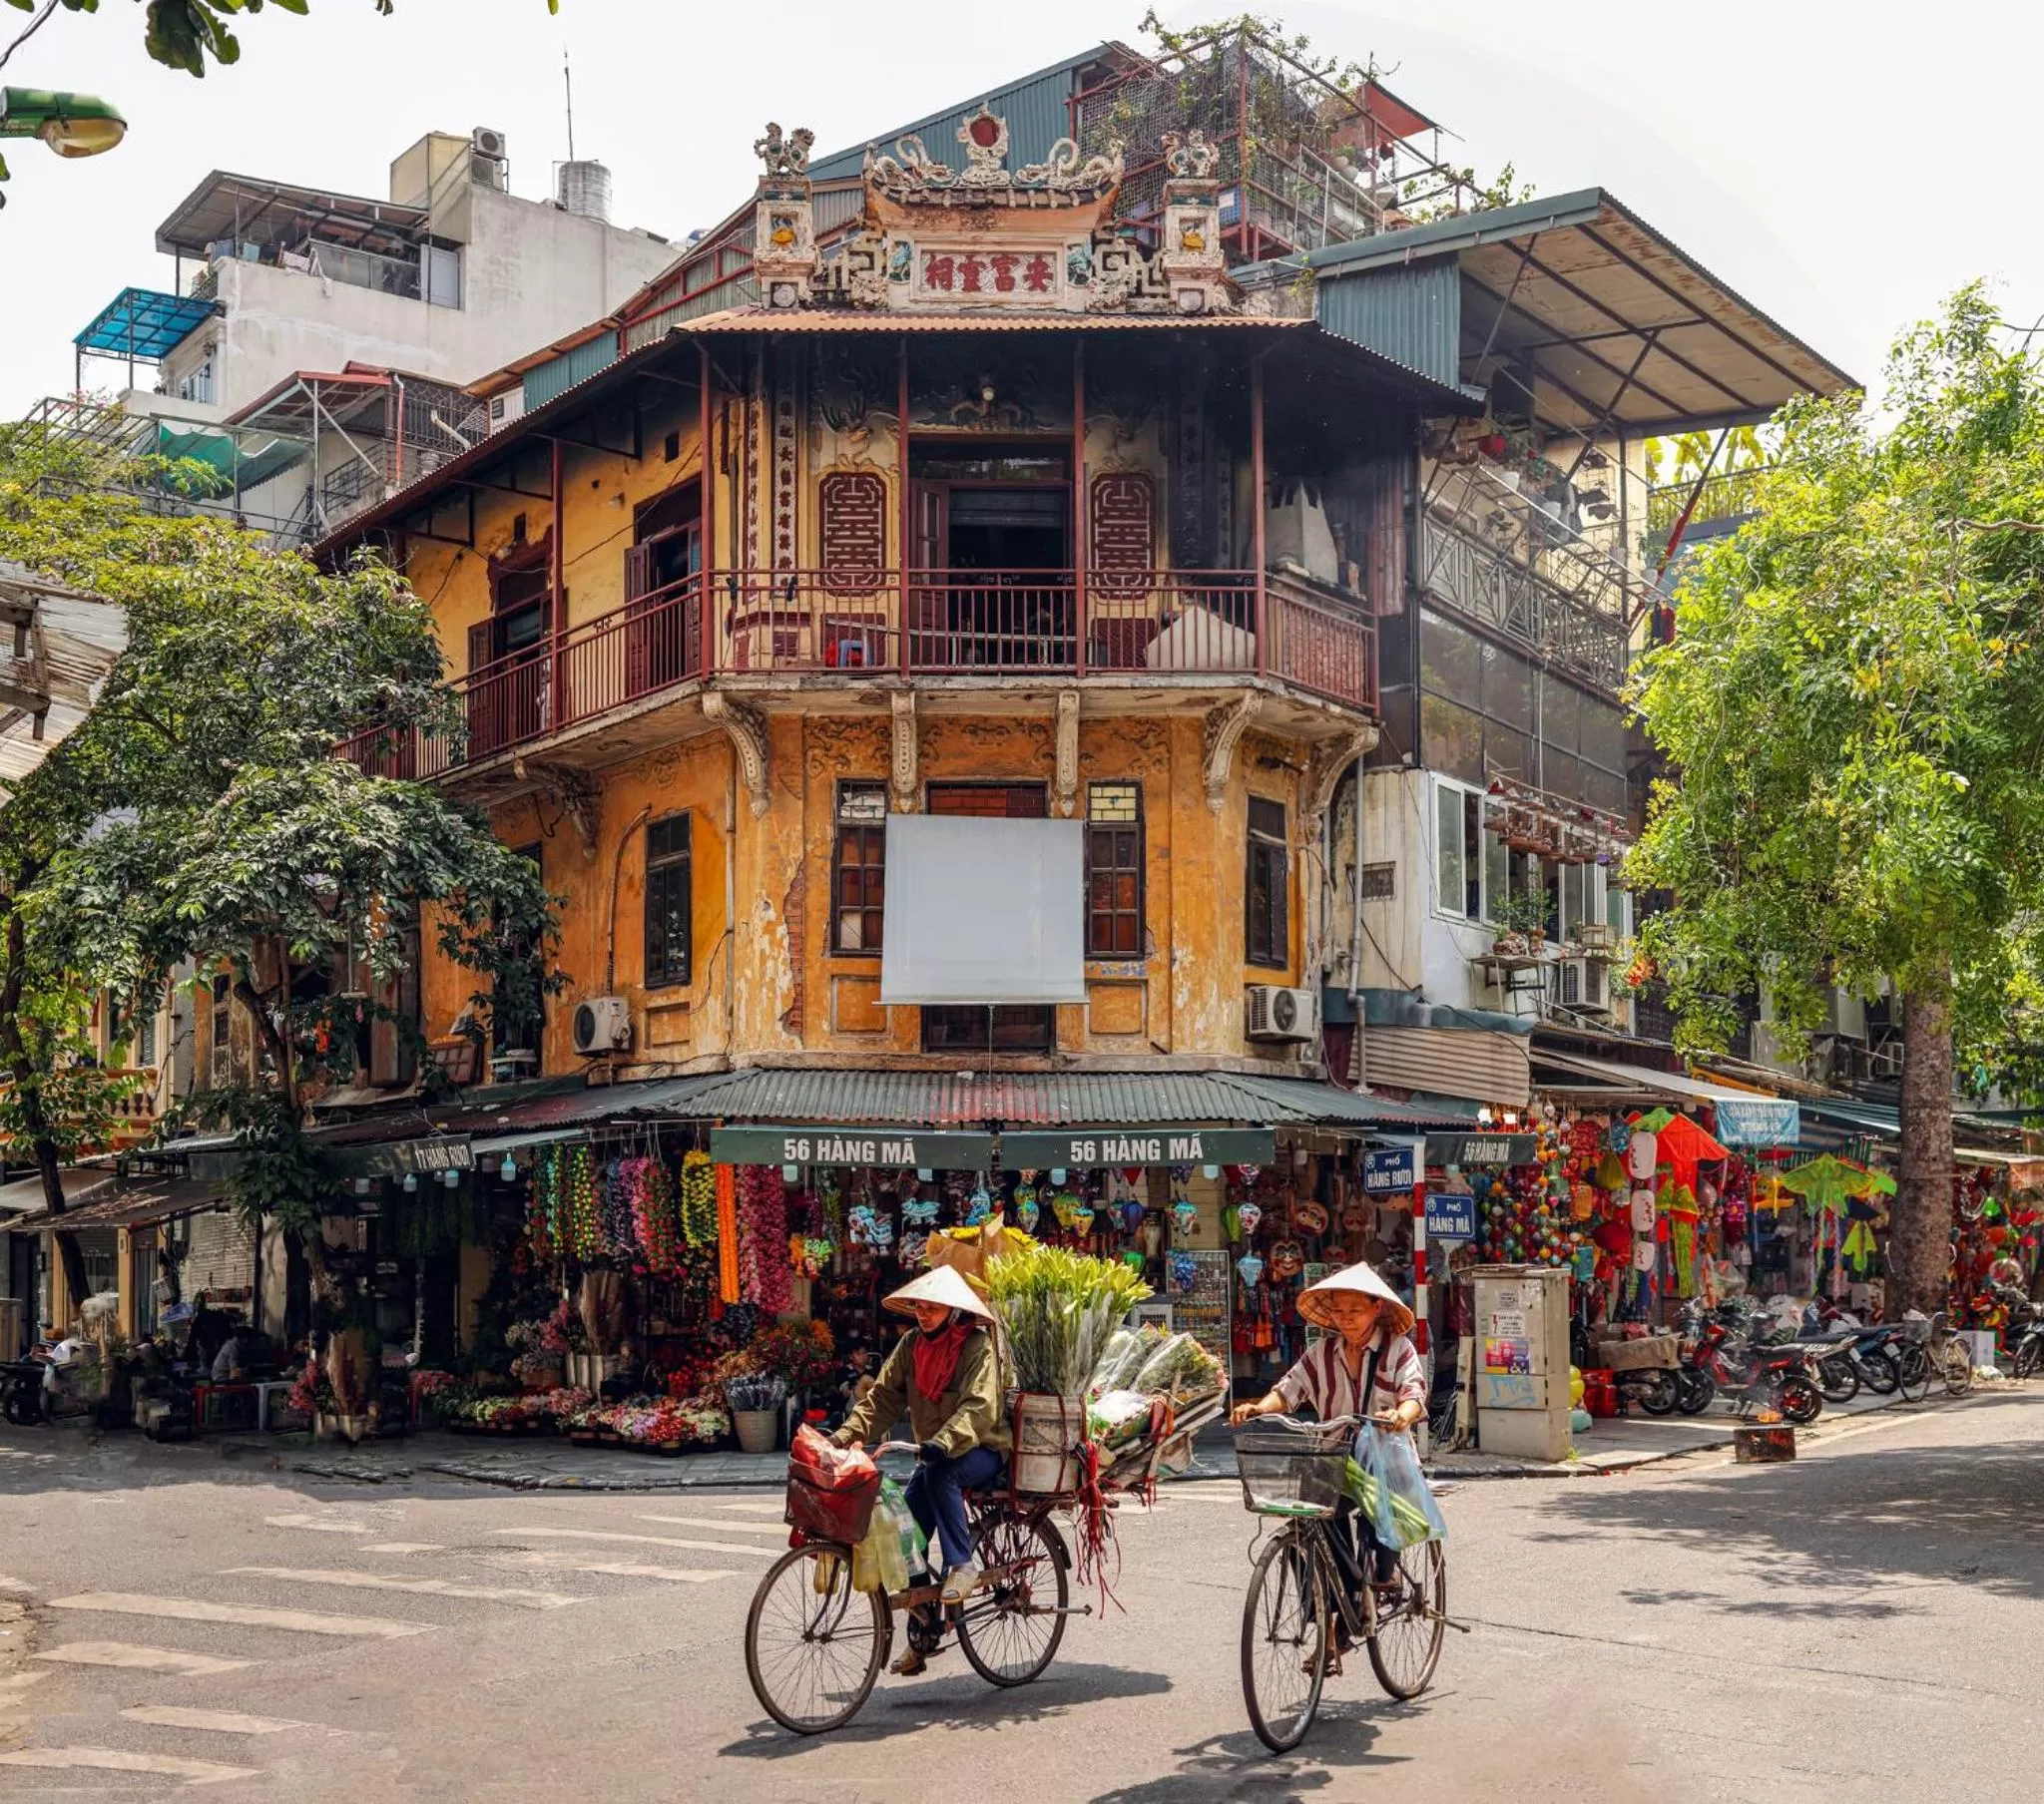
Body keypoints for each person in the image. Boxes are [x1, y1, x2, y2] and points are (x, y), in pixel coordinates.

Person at [1231, 1260, 1428, 1668]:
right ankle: (1327, 1612)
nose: (1345, 1319)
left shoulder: (1398, 1350)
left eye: (1354, 1311)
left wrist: (1401, 1415)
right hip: (1332, 1456)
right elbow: (1289, 1390)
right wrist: (1257, 1408)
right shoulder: (1322, 1352)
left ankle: (1376, 1581)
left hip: (1383, 1461)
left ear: (1376, 1308)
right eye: (1339, 1311)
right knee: (1307, 1524)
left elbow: (1414, 1392)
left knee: (1376, 1528)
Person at [831, 1266, 1009, 1675]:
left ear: (952, 1310)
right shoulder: (911, 1345)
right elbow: (882, 1400)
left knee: (942, 1474)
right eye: (919, 1307)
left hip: (981, 1449)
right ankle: (923, 1634)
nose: (924, 1314)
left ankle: (963, 1564)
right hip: (932, 1453)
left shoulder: (975, 1345)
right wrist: (842, 1437)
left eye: (933, 1308)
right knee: (901, 1535)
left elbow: (979, 1408)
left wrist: (944, 1442)